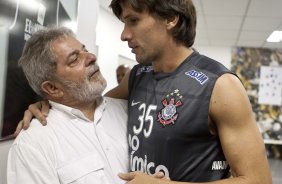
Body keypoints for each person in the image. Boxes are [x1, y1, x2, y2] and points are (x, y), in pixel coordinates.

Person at [18, 0, 272, 183]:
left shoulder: (220, 85)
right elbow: (88, 103)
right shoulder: (138, 75)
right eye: (123, 22)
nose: (124, 35)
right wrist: (49, 104)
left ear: (171, 19)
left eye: (134, 21)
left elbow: (258, 180)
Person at [7, 27, 129, 184]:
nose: (92, 57)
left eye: (85, 50)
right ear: (53, 88)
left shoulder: (127, 111)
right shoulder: (32, 146)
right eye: (74, 59)